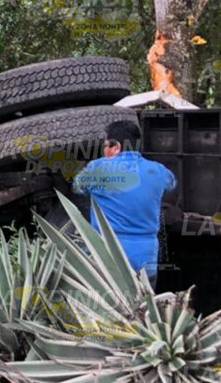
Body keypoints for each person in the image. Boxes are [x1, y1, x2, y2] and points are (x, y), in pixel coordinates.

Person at [73, 120, 177, 289]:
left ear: (117, 146)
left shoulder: (97, 168)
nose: (104, 150)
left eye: (106, 145)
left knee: (106, 309)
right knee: (143, 310)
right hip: (146, 260)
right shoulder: (158, 170)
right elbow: (171, 184)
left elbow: (78, 187)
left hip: (107, 259)